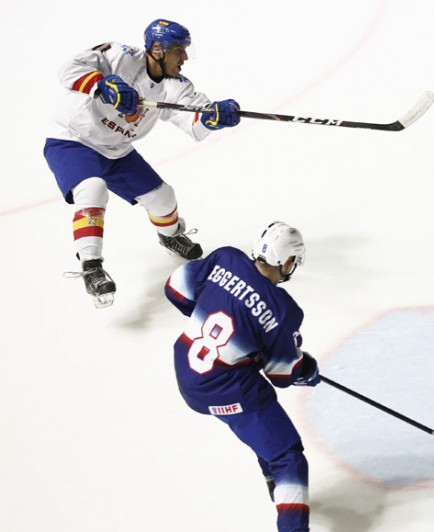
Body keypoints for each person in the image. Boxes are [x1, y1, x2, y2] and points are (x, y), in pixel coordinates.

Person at [45, 19, 242, 308]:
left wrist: (214, 117)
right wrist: (103, 84)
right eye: (179, 50)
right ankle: (91, 266)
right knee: (92, 188)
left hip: (117, 151)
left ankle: (170, 236)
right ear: (159, 49)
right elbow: (68, 70)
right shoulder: (119, 55)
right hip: (73, 140)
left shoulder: (176, 86)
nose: (185, 58)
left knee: (164, 198)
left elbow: (195, 123)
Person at [165, 221, 320, 532]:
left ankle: (276, 484)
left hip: (186, 368)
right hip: (224, 387)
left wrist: (210, 310)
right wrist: (307, 369)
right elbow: (281, 373)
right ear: (288, 262)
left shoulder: (226, 259)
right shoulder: (283, 309)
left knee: (263, 419)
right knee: (288, 457)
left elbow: (175, 289)